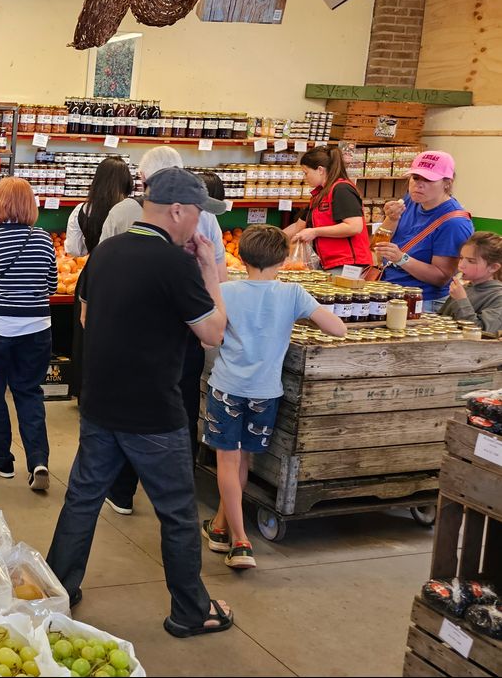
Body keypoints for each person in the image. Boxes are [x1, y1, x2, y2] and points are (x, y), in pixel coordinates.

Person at [46, 167, 234, 639]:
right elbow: (213, 333)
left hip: (101, 402)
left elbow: (86, 317)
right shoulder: (175, 264)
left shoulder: (105, 252)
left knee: (82, 500)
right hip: (153, 411)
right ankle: (191, 610)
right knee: (176, 511)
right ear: (177, 211)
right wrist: (209, 266)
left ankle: (57, 590)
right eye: (197, 215)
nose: (199, 226)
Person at [202, 225, 345, 570]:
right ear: (283, 259)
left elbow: (210, 338)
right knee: (244, 462)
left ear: (243, 256)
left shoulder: (226, 291)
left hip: (227, 388)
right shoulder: (293, 293)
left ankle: (240, 540)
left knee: (227, 462)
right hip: (266, 394)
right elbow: (337, 328)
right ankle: (220, 528)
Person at [105, 148, 225, 516]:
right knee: (179, 411)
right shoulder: (200, 229)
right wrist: (205, 272)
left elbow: (95, 286)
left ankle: (123, 491)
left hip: (124, 337)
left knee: (122, 415)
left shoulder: (121, 217)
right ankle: (176, 492)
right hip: (182, 334)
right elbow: (217, 295)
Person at [0, 177, 58, 490]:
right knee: (30, 392)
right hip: (37, 329)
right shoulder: (44, 239)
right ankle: (38, 460)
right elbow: (52, 286)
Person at [65, 157, 137, 399]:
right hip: (128, 277)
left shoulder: (82, 209)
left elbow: (75, 250)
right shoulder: (133, 209)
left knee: (87, 335)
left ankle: (86, 390)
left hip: (93, 277)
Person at [372, 150, 475, 313]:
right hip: (389, 291)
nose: (419, 185)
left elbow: (441, 277)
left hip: (422, 302)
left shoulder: (455, 223)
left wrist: (401, 258)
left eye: (428, 179)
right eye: (415, 178)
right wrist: (391, 219)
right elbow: (378, 243)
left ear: (447, 182)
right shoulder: (411, 200)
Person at [283, 145, 371, 273]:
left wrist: (315, 232)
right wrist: (269, 238)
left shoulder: (342, 189)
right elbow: (298, 226)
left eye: (306, 172)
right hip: (329, 263)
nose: (304, 177)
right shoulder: (320, 195)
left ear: (320, 170)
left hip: (348, 264)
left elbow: (354, 226)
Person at [64, 157, 138, 256]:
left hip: (96, 268)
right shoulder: (133, 211)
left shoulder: (82, 210)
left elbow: (74, 250)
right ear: (127, 182)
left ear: (97, 181)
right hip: (127, 268)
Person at [440, 232, 502, 334]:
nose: (461, 265)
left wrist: (461, 300)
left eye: (471, 261)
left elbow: (481, 332)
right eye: (461, 258)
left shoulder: (498, 297)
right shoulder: (465, 288)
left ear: (493, 267)